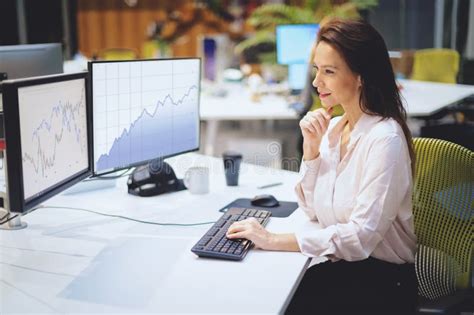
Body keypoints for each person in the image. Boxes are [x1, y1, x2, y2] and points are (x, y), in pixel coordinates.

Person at [226, 18, 418, 314]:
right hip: (345, 269)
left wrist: (273, 239)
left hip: (381, 283)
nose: (316, 83)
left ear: (361, 77)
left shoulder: (385, 139)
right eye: (317, 70)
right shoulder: (335, 128)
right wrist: (312, 152)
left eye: (329, 72)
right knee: (259, 290)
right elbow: (312, 209)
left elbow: (360, 239)